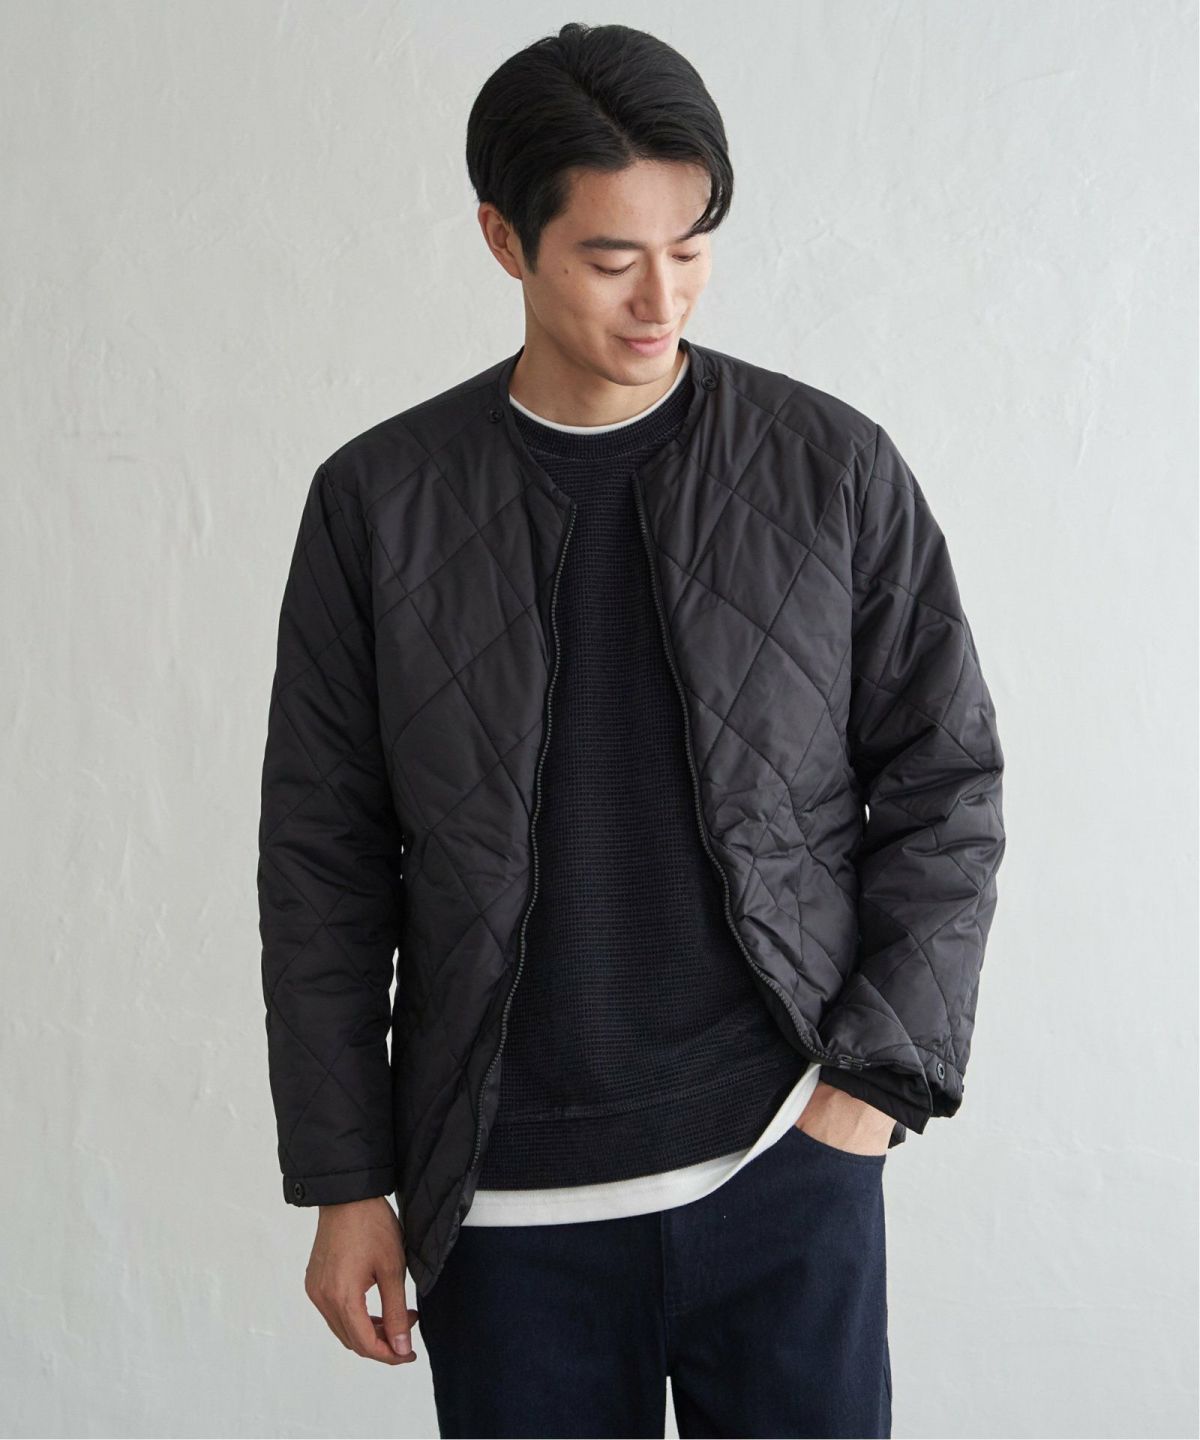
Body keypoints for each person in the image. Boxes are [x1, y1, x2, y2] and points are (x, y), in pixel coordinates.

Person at [256, 21, 1006, 1439]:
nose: (663, 296)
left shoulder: (831, 468)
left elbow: (945, 781)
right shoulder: (378, 504)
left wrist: (868, 1094)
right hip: (504, 1215)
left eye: (693, 244)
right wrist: (346, 1182)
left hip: (782, 1172)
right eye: (611, 259)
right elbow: (323, 864)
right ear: (504, 238)